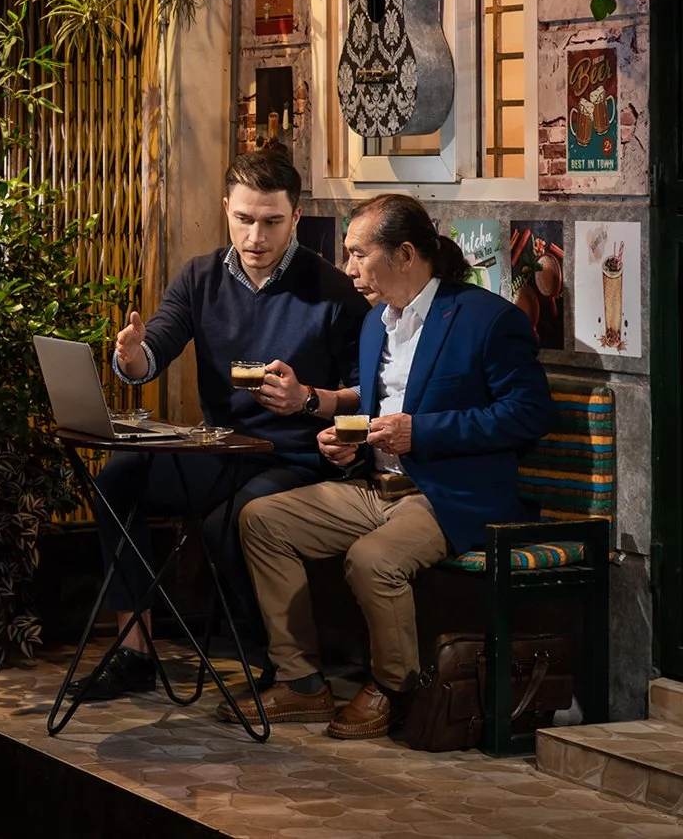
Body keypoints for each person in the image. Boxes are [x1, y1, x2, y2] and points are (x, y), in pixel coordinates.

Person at [227, 193, 553, 739]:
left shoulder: (487, 319)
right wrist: (348, 439)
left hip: (449, 494)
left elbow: (529, 414)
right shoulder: (376, 322)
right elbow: (379, 405)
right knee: (263, 520)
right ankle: (301, 680)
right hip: (376, 486)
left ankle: (395, 687)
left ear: (404, 254)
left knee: (373, 560)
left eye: (359, 254)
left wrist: (419, 432)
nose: (348, 268)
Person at [74, 150, 369, 700]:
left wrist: (307, 398)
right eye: (244, 219)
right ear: (225, 209)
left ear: (296, 216)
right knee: (118, 478)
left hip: (295, 458)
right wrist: (132, 356)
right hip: (221, 449)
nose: (256, 236)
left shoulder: (331, 289)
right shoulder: (200, 277)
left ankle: (277, 662)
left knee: (227, 524)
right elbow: (153, 352)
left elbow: (366, 393)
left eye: (272, 221)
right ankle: (134, 650)